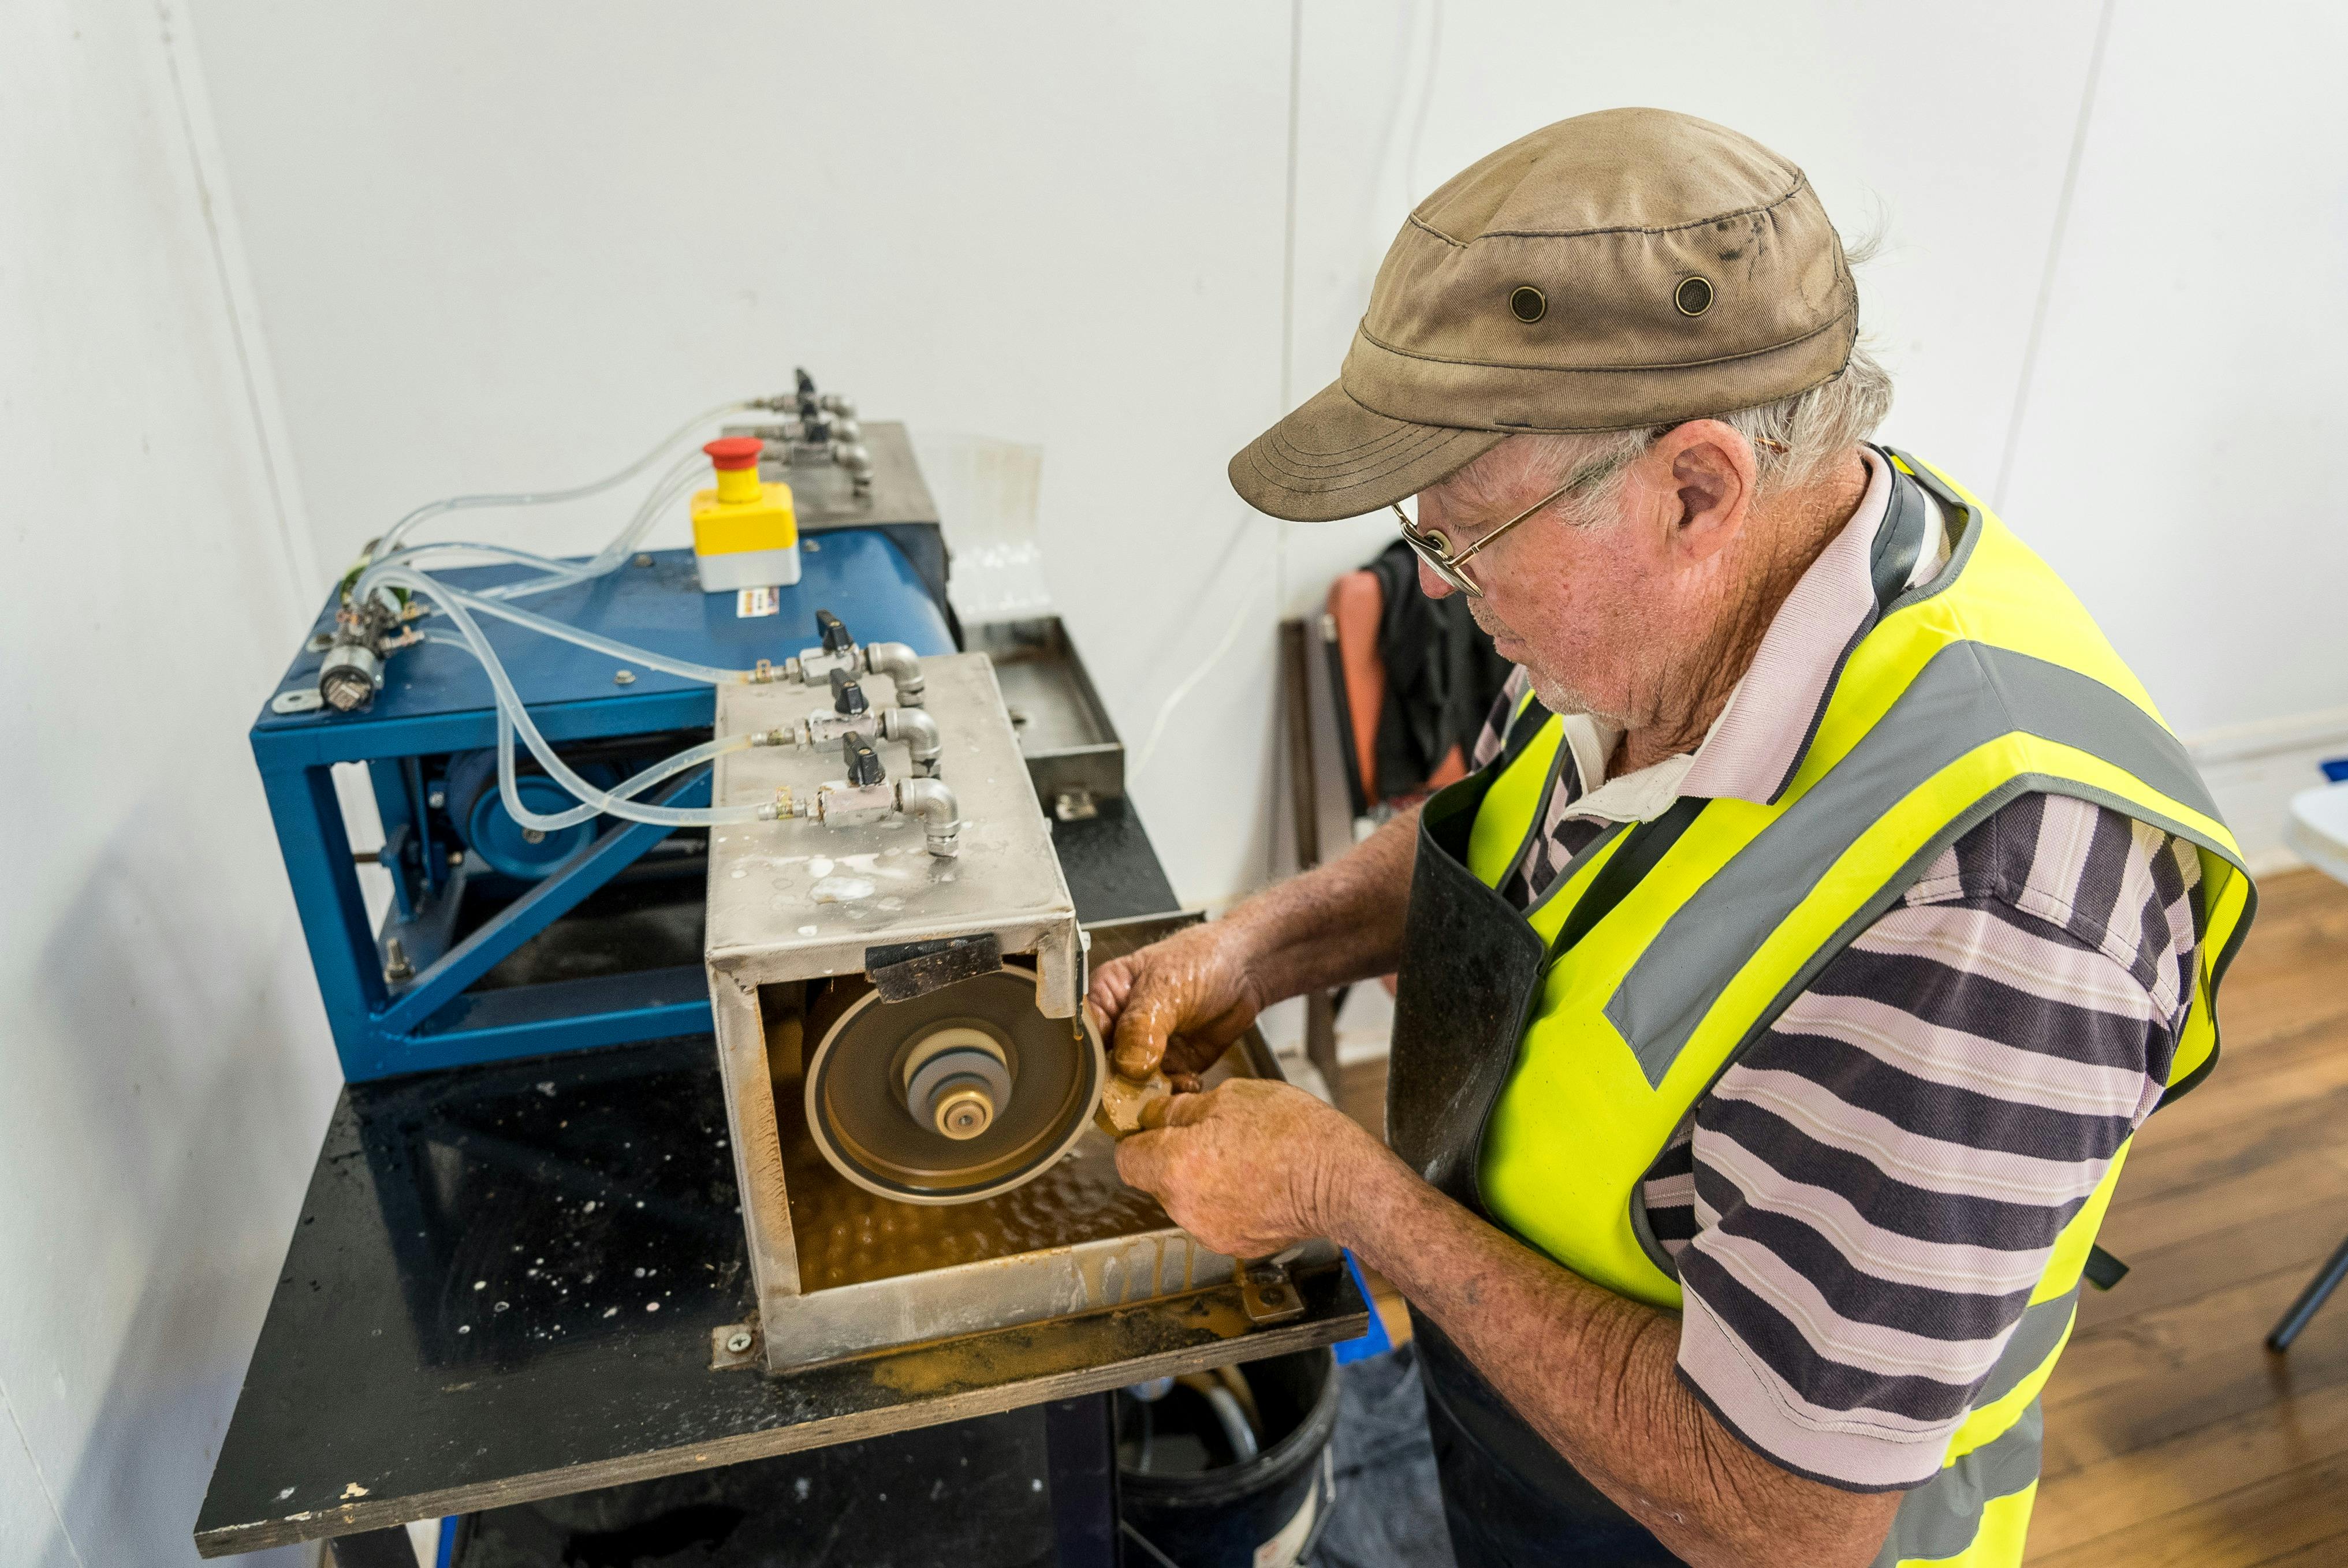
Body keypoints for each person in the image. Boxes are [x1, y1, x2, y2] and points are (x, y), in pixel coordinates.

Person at [1098, 108, 2254, 1567]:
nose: (1439, 590)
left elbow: (1777, 1512)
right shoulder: (1685, 597)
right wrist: (1257, 943)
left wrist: (1342, 1193)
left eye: (1459, 542)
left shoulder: (1998, 906)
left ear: (1695, 487)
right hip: (1530, 1453)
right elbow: (1535, 837)